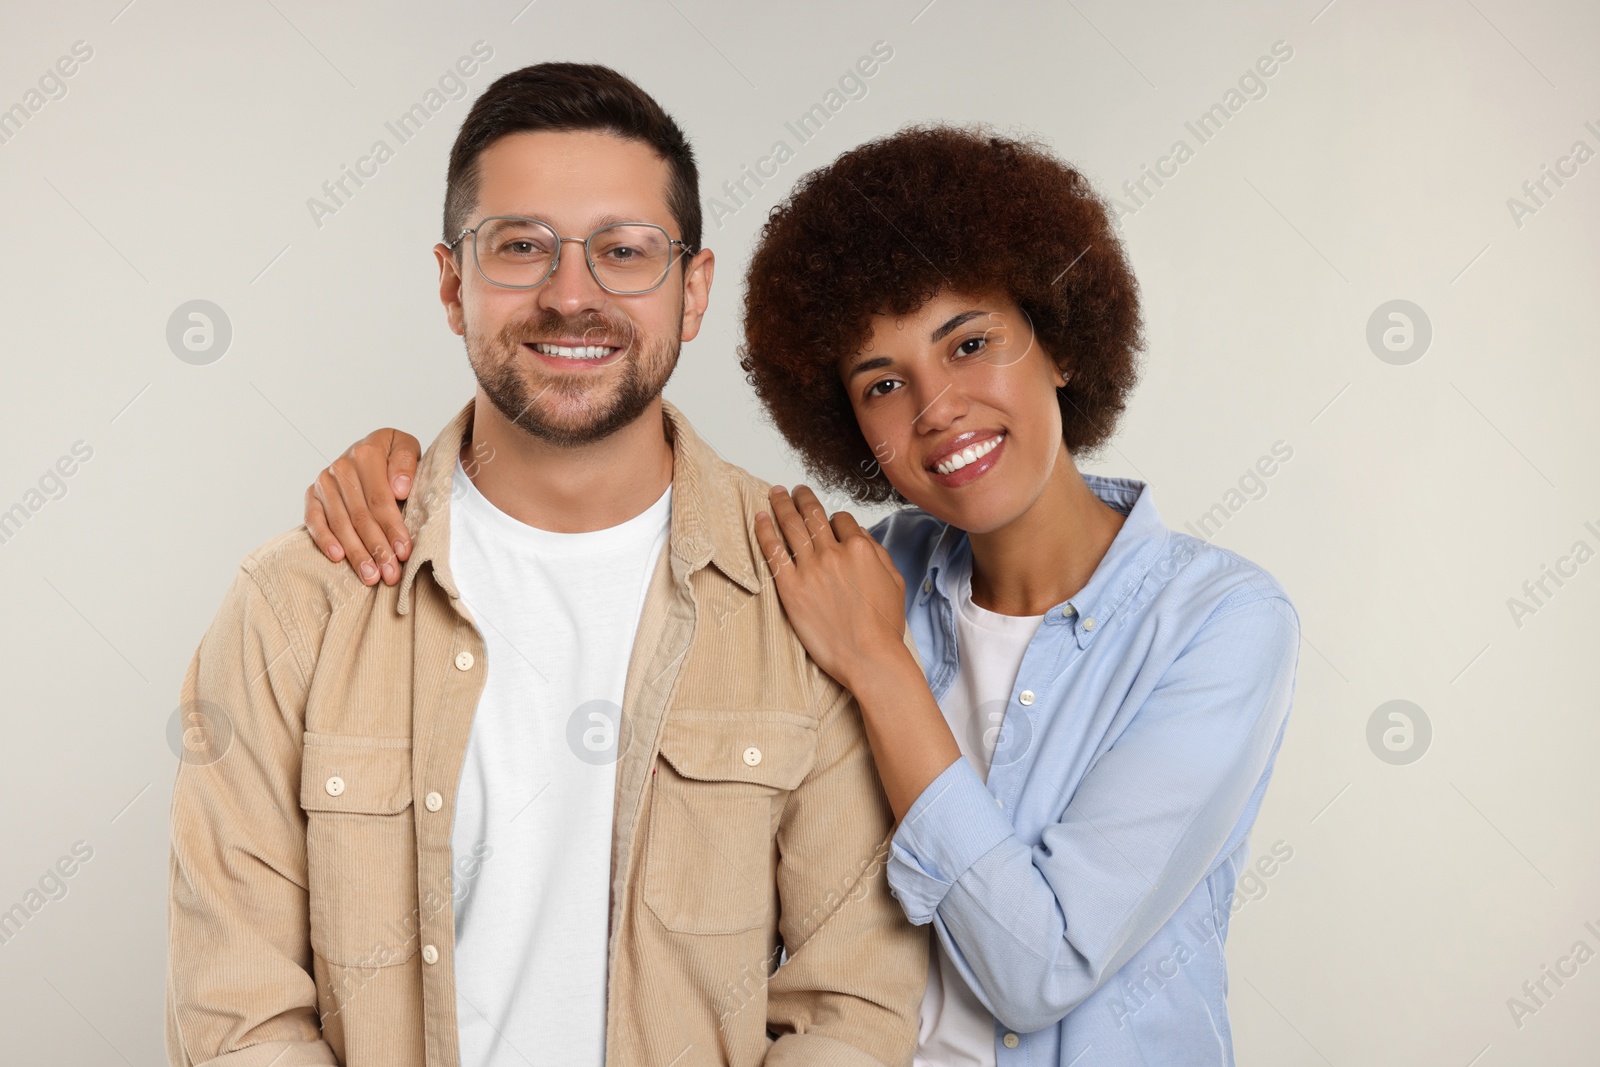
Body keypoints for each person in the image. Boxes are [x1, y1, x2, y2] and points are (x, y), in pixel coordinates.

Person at [308, 126, 1301, 1065]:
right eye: (880, 383)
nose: (937, 406)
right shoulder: (843, 572)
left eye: (968, 343)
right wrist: (410, 474)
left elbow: (1036, 967)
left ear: (1062, 341)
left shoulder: (1216, 624)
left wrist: (878, 664)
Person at [166, 63, 926, 1067]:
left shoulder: (808, 598)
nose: (572, 296)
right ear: (452, 284)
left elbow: (849, 1010)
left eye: (624, 250)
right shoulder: (295, 605)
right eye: (521, 247)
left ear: (691, 291)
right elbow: (237, 1015)